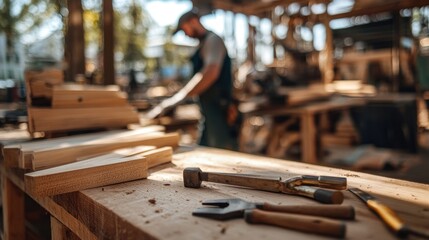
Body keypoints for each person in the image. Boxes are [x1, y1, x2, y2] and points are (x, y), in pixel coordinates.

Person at [146, 8, 239, 150]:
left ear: (193, 21)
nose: (185, 34)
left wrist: (180, 97)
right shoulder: (202, 45)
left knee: (223, 153)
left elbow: (210, 72)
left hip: (219, 110)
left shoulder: (213, 41)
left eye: (185, 29)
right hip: (207, 111)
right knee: (203, 151)